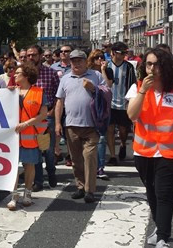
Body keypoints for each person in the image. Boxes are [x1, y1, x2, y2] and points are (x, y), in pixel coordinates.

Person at [126, 48, 173, 248]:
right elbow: (131, 115)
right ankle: (159, 227)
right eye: (149, 64)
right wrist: (143, 91)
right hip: (143, 151)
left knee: (164, 195)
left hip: (169, 152)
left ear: (166, 66)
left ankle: (163, 240)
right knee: (152, 194)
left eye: (157, 64)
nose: (152, 69)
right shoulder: (136, 88)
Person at [55, 50, 107, 204]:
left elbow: (106, 93)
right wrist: (58, 123)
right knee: (76, 159)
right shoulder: (65, 79)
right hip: (71, 125)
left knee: (89, 157)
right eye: (73, 61)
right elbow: (59, 102)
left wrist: (93, 89)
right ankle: (80, 186)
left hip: (92, 125)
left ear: (85, 62)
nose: (76, 64)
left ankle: (89, 190)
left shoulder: (95, 76)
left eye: (79, 61)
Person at [6, 63, 48, 210]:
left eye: (17, 73)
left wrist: (26, 124)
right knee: (13, 167)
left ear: (26, 76)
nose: (14, 75)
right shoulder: (11, 92)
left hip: (31, 136)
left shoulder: (39, 92)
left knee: (29, 166)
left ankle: (27, 194)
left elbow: (43, 114)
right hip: (13, 137)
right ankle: (14, 195)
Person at [26, 45, 60, 192]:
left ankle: (51, 171)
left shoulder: (50, 73)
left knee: (48, 150)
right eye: (28, 55)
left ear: (40, 56)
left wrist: (53, 111)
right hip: (31, 119)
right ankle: (38, 180)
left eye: (33, 55)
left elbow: (59, 95)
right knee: (36, 150)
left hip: (47, 118)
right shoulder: (25, 75)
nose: (31, 58)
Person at [104, 42, 137, 167]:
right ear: (113, 53)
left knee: (123, 130)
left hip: (123, 104)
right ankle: (112, 155)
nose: (124, 55)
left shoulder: (128, 67)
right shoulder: (107, 66)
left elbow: (132, 84)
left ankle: (123, 144)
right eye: (121, 52)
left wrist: (131, 101)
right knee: (110, 129)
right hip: (110, 104)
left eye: (125, 52)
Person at [87, 49, 114, 180]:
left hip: (103, 108)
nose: (99, 59)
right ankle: (91, 165)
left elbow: (108, 86)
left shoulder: (107, 71)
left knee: (102, 137)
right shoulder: (88, 72)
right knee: (90, 137)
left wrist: (103, 70)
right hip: (90, 107)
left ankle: (100, 167)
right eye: (96, 57)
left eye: (101, 57)